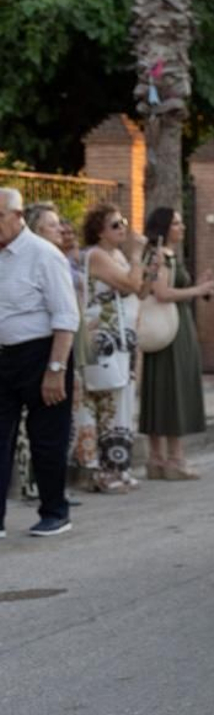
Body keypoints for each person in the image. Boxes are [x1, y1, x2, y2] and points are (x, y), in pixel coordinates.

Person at [0, 187, 79, 538]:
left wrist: (56, 370)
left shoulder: (44, 255)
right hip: (4, 355)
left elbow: (66, 316)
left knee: (47, 438)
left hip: (43, 353)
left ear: (17, 217)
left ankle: (54, 511)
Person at [139, 206, 212, 478]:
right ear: (165, 227)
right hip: (170, 328)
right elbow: (161, 292)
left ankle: (157, 458)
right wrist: (198, 290)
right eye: (177, 223)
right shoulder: (160, 255)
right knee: (172, 389)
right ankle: (174, 459)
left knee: (161, 389)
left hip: (172, 325)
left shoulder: (163, 255)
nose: (182, 228)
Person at [79, 203, 146, 492]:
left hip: (122, 339)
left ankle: (121, 467)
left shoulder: (117, 254)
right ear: (99, 232)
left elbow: (140, 287)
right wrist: (137, 256)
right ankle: (104, 473)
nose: (123, 228)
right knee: (105, 401)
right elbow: (131, 284)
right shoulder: (96, 255)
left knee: (123, 400)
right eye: (116, 224)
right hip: (102, 339)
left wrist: (141, 265)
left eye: (124, 222)